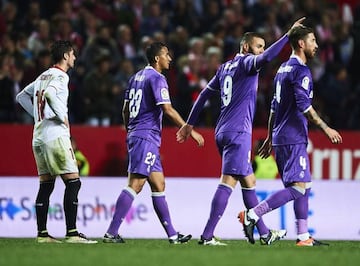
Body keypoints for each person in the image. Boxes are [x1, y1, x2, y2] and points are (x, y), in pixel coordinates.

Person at [177, 17, 306, 246]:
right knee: (228, 181)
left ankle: (265, 234)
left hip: (222, 131)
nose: (261, 51)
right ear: (246, 47)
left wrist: (189, 123)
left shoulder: (224, 67)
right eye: (258, 46)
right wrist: (287, 35)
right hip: (239, 132)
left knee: (249, 180)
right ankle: (207, 236)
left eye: (263, 47)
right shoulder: (247, 63)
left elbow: (205, 95)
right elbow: (266, 59)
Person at [238, 26, 342, 246]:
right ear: (301, 44)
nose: (317, 45)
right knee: (297, 188)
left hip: (281, 135)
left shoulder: (282, 69)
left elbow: (274, 107)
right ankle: (253, 214)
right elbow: (305, 107)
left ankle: (303, 237)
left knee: (304, 184)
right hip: (292, 136)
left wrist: (269, 136)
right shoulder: (300, 71)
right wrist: (326, 128)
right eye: (313, 40)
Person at [103, 42, 204, 244]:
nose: (170, 58)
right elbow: (167, 109)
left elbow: (125, 110)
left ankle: (173, 235)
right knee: (136, 184)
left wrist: (130, 129)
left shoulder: (134, 78)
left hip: (139, 134)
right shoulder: (157, 78)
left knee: (158, 183)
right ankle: (111, 232)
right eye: (167, 54)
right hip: (146, 136)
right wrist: (188, 129)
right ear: (157, 58)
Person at [16, 40, 97, 244]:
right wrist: (62, 117)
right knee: (73, 182)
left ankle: (42, 234)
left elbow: (21, 96)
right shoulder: (61, 76)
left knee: (46, 185)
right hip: (55, 135)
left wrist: (38, 116)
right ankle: (72, 233)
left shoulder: (42, 76)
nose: (75, 58)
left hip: (39, 137)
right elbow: (51, 94)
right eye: (73, 54)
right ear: (66, 56)